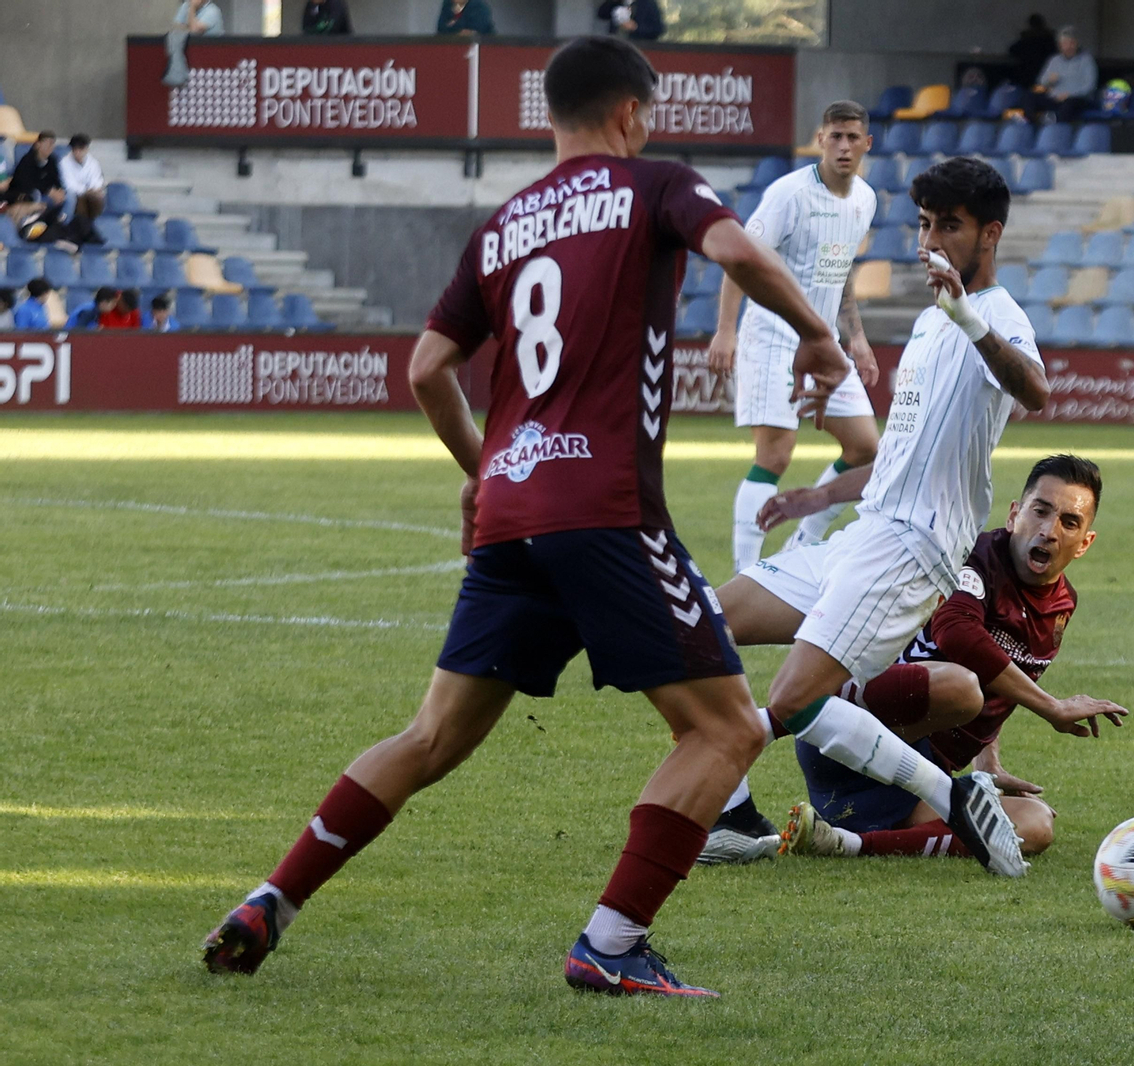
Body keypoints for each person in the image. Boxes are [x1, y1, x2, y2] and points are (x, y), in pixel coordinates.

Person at [200, 35, 852, 1000]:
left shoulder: (502, 227)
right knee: (725, 733)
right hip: (606, 510)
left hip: (514, 514)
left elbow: (426, 370)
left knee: (430, 739)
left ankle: (273, 898)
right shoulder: (654, 185)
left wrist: (487, 468)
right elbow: (734, 249)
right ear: (631, 113)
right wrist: (818, 338)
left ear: (553, 116)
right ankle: (611, 944)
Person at [701, 157, 1053, 878]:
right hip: (867, 531)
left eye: (947, 226)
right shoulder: (930, 323)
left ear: (989, 234)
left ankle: (948, 798)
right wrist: (814, 499)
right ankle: (733, 816)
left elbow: (1036, 389)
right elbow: (900, 450)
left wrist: (965, 314)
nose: (930, 240)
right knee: (701, 624)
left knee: (793, 699)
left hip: (913, 549)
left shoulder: (997, 316)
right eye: (924, 224)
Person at [773, 456, 1129, 862]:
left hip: (914, 777)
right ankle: (772, 720)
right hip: (843, 738)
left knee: (1035, 824)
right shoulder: (972, 555)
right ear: (1015, 515)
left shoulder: (1062, 605)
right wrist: (1052, 707)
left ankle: (845, 843)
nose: (1048, 531)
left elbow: (1002, 680)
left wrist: (988, 761)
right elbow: (956, 631)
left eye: (1069, 522)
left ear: (1084, 542)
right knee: (961, 688)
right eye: (1040, 511)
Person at [708, 100, 881, 577]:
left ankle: (802, 543)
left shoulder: (865, 199)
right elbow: (740, 258)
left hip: (824, 343)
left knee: (868, 449)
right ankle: (746, 576)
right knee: (776, 455)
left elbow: (840, 270)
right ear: (820, 139)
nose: (844, 146)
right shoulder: (789, 195)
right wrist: (726, 331)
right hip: (771, 337)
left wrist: (858, 338)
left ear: (868, 144)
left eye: (853, 137)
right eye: (835, 136)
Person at [1027, 26, 1098, 122]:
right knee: (1030, 97)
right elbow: (1041, 82)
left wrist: (1069, 95)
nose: (1068, 47)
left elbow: (1090, 86)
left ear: (1077, 44)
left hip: (1076, 99)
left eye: (1072, 43)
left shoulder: (1086, 60)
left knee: (1069, 104)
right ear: (1059, 46)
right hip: (1055, 98)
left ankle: (1055, 124)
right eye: (1065, 44)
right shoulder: (1054, 60)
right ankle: (1033, 123)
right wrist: (1049, 81)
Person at [3, 132, 66, 227]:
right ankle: (30, 223)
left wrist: (60, 190)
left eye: (52, 144)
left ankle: (58, 222)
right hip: (23, 193)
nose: (50, 147)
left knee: (68, 197)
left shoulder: (52, 160)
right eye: (47, 143)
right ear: (38, 145)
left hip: (45, 194)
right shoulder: (27, 160)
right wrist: (48, 191)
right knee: (35, 194)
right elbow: (25, 182)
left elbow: (56, 179)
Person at [60, 135, 107, 223]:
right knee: (77, 200)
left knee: (99, 198)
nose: (78, 152)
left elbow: (97, 179)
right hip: (74, 194)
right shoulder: (64, 162)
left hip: (90, 193)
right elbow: (68, 184)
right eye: (75, 149)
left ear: (86, 149)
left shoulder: (93, 162)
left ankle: (92, 224)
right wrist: (85, 191)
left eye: (81, 149)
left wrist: (94, 189)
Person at [1008, 13, 1057, 86]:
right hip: (1039, 77)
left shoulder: (1029, 39)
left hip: (1030, 78)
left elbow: (1012, 49)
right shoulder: (1048, 40)